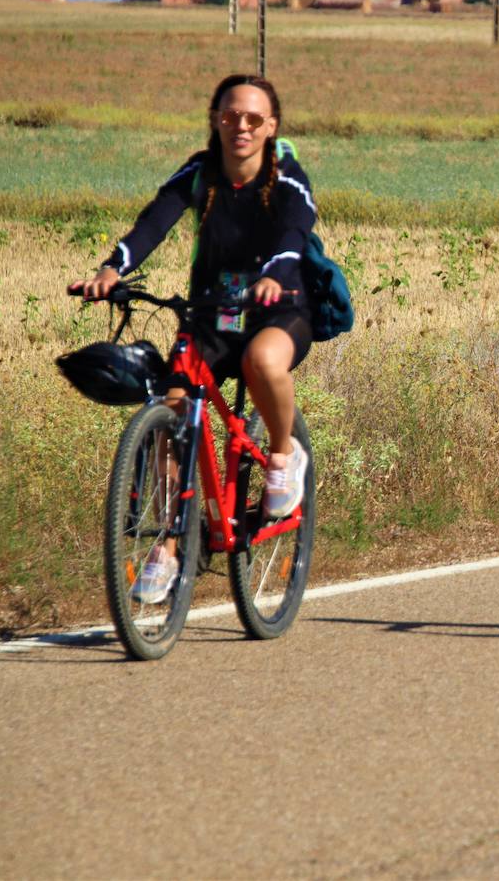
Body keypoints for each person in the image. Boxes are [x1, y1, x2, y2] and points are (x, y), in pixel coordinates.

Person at [74, 74, 317, 603]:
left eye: (254, 119)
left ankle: (282, 454)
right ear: (216, 119)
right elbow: (156, 219)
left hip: (278, 309)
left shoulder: (287, 175)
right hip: (211, 315)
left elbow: (296, 229)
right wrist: (113, 269)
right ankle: (167, 543)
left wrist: (275, 273)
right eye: (231, 116)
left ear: (271, 126)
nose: (241, 127)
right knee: (171, 407)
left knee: (261, 361)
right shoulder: (201, 171)